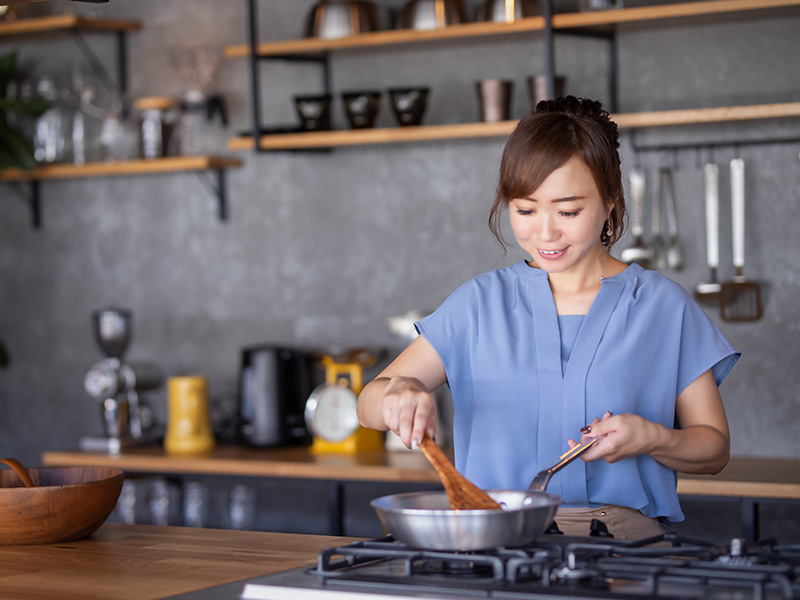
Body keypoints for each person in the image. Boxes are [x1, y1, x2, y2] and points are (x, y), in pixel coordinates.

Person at [357, 96, 740, 539]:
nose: (545, 233)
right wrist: (397, 393)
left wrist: (653, 438)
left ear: (611, 200)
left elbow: (714, 448)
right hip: (493, 540)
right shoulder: (479, 303)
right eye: (525, 210)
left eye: (568, 211)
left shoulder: (662, 306)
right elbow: (368, 405)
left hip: (620, 547)